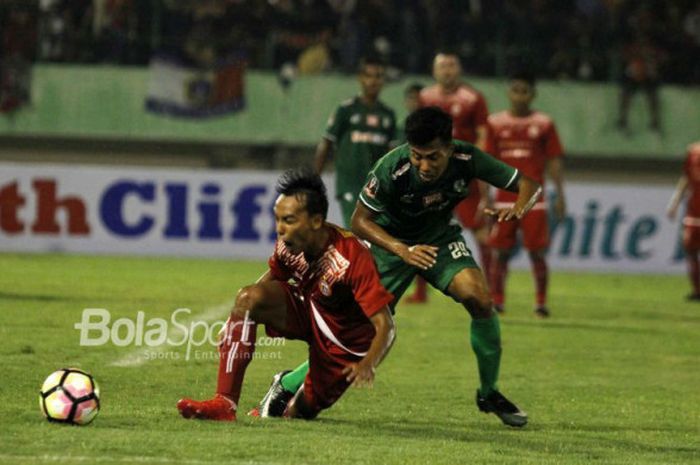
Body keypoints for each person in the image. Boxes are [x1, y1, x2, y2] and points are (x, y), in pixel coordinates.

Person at [253, 107, 542, 427]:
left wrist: (518, 207)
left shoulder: (467, 158)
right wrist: (401, 250)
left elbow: (528, 184)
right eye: (418, 156)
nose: (424, 165)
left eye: (432, 157)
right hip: (388, 245)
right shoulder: (391, 167)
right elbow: (359, 221)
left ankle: (489, 392)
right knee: (357, 335)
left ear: (449, 146)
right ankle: (289, 383)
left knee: (479, 299)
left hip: (438, 242)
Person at [177, 168, 395, 421]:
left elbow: (385, 325)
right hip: (309, 310)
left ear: (316, 221)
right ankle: (224, 403)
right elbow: (274, 275)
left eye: (289, 220)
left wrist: (367, 363)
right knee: (249, 298)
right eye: (277, 219)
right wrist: (237, 315)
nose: (280, 228)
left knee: (297, 413)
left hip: (343, 343)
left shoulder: (351, 256)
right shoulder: (288, 244)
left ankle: (286, 386)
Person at [406, 51, 491, 303]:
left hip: (463, 176)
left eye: (452, 65)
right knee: (422, 232)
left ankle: (492, 290)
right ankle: (421, 293)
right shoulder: (426, 97)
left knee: (480, 231)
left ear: (459, 69)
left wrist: (478, 164)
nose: (447, 70)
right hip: (432, 176)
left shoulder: (473, 98)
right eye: (442, 65)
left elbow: (483, 135)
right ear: (434, 71)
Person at [486, 71, 566, 318]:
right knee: (500, 251)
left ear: (533, 94)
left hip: (534, 200)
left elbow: (553, 161)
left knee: (536, 251)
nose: (520, 96)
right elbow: (487, 163)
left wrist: (561, 194)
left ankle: (541, 302)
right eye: (516, 90)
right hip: (504, 198)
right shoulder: (495, 123)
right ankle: (497, 301)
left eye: (525, 91)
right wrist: (484, 196)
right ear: (509, 93)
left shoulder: (544, 124)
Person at [314, 56, 398, 228]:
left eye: (378, 76)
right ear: (360, 78)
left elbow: (393, 153)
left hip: (376, 185)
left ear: (383, 81)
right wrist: (314, 180)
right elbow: (327, 143)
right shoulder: (346, 110)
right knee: (357, 229)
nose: (373, 81)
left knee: (374, 234)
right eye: (369, 76)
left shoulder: (388, 114)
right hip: (350, 182)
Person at [667, 141, 700, 301]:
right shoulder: (693, 151)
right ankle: (697, 290)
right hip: (693, 212)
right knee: (691, 251)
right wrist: (674, 203)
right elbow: (686, 179)